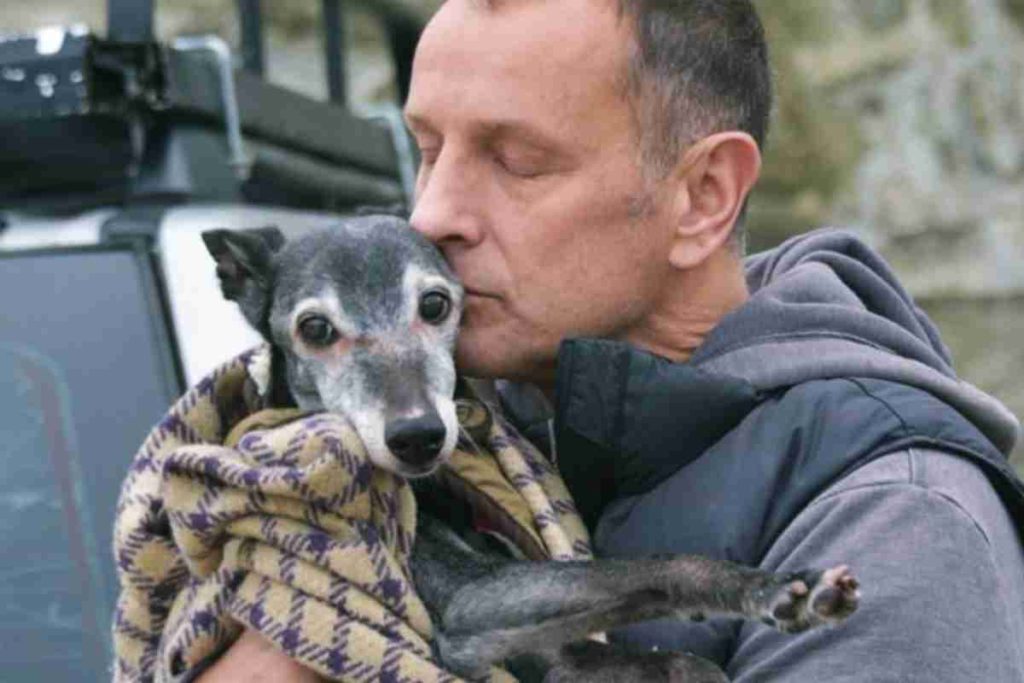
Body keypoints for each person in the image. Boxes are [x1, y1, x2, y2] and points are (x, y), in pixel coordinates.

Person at [201, 0, 1024, 680]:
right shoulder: (459, 441)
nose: (431, 216)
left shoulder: (895, 524)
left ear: (701, 196)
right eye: (428, 152)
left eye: (516, 160)